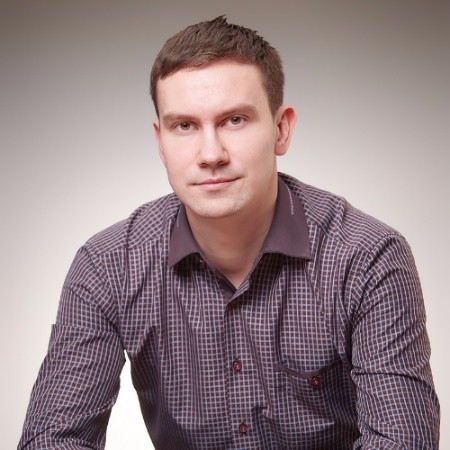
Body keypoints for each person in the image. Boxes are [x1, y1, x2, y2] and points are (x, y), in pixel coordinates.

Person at [18, 16, 439, 450]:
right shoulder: (108, 266)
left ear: (281, 129)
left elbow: (403, 442)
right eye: (184, 126)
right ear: (161, 141)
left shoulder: (368, 257)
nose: (211, 154)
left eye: (234, 120)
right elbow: (52, 440)